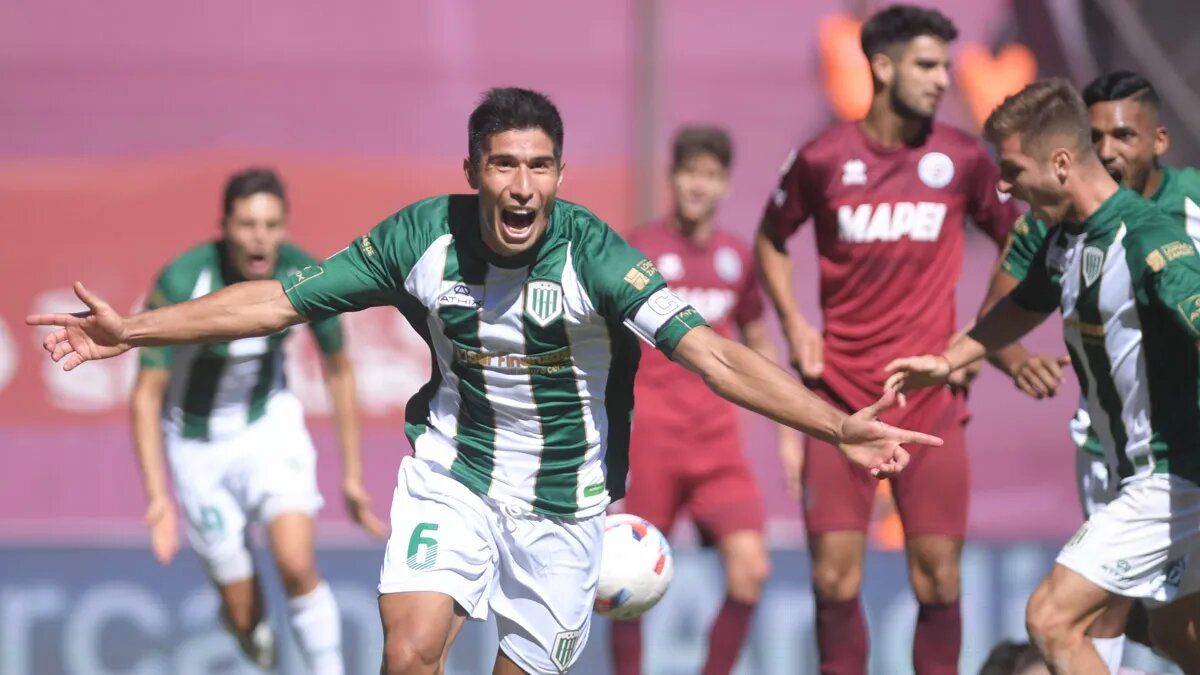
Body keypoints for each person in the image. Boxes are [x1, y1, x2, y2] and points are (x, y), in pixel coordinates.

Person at [29, 87, 938, 675]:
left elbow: (715, 353)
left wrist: (836, 425)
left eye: (539, 166)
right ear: (473, 172)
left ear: (559, 174)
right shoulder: (420, 237)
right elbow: (276, 301)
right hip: (453, 472)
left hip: (565, 501)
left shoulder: (595, 255)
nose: (522, 186)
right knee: (410, 651)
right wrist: (132, 329)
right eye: (504, 164)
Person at [885, 78, 1200, 673]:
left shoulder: (1148, 239)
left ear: (1059, 164)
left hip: (1172, 477)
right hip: (1138, 474)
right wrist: (950, 360)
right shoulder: (1065, 239)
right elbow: (1022, 306)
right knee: (1176, 633)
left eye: (1012, 170)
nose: (1003, 186)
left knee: (1052, 619)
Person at [754, 6, 1020, 672]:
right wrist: (795, 325)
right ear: (881, 66)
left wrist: (976, 338)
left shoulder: (963, 157)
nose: (942, 80)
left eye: (945, 66)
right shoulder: (822, 158)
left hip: (929, 398)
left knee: (940, 580)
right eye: (926, 66)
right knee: (833, 579)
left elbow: (1020, 241)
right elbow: (770, 239)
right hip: (839, 396)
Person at [129, 168, 384, 673]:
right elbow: (146, 395)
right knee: (247, 619)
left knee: (295, 563)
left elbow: (338, 370)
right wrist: (158, 497)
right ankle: (244, 626)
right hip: (197, 447)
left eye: (271, 225)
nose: (259, 238)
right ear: (224, 227)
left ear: (284, 227)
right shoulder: (184, 280)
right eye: (247, 224)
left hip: (268, 428)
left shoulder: (305, 274)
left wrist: (352, 476)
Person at [611, 126, 800, 675]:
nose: (699, 185)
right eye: (690, 172)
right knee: (626, 578)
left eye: (711, 175)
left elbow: (759, 346)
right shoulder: (638, 251)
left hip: (716, 443)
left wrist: (788, 437)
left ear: (725, 185)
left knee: (751, 571)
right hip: (652, 440)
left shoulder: (736, 258)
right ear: (672, 178)